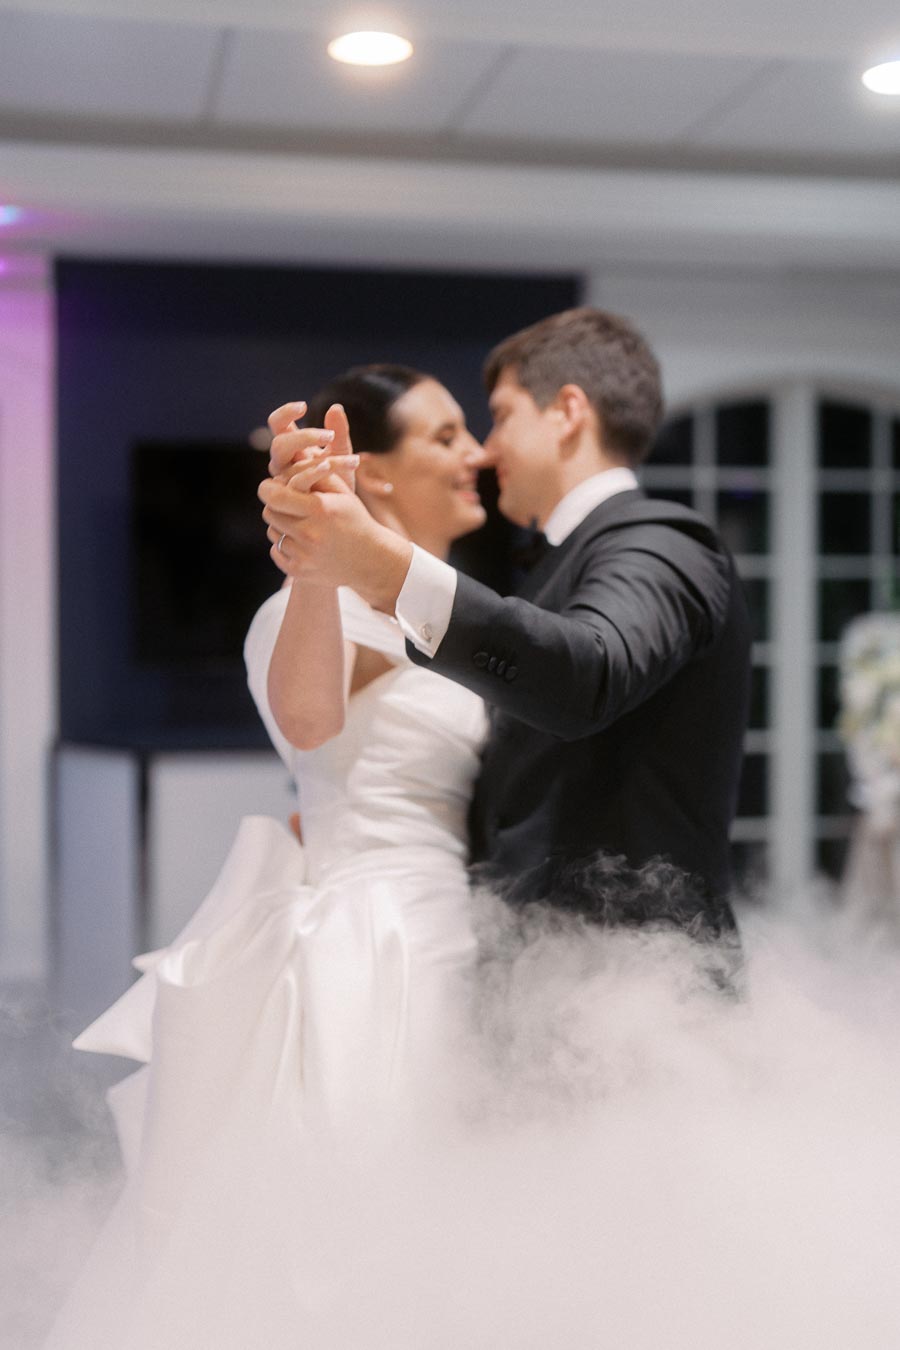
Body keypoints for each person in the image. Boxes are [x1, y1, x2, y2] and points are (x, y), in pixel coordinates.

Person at [43, 365, 492, 1349]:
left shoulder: (454, 618)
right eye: (448, 436)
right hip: (380, 951)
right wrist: (312, 564)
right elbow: (308, 716)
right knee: (358, 1225)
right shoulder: (324, 615)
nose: (478, 455)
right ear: (370, 473)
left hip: (458, 935)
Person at [260, 307, 752, 938]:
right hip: (513, 967)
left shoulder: (664, 539)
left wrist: (386, 567)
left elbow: (587, 673)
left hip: (636, 984)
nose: (486, 452)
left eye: (501, 416)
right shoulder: (550, 573)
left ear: (568, 412)